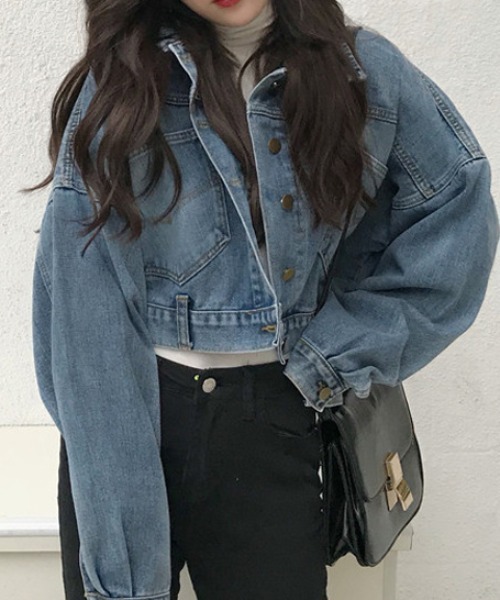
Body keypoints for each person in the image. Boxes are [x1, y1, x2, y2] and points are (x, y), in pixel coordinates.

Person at [29, 1, 499, 599]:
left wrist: (330, 359)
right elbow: (84, 308)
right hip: (127, 412)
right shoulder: (124, 82)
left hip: (271, 418)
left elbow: (456, 212)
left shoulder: (363, 72)